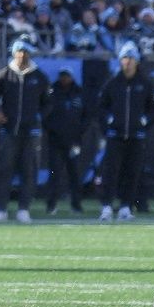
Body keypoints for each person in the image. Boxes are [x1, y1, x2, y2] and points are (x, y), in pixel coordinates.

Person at [0, 38, 49, 223]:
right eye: (19, 51)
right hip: (9, 129)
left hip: (30, 131)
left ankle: (23, 209)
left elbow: (48, 103)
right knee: (4, 169)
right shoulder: (4, 74)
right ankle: (0, 208)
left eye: (25, 52)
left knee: (29, 169)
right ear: (14, 53)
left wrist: (38, 117)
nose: (22, 55)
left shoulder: (39, 77)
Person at [98, 42, 154, 222]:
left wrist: (144, 122)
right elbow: (101, 107)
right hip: (115, 135)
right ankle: (107, 207)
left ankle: (126, 206)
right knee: (110, 172)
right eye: (125, 58)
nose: (128, 62)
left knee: (132, 173)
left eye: (131, 58)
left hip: (136, 136)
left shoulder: (145, 84)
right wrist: (109, 122)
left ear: (137, 61)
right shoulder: (113, 82)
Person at [44, 66, 87, 214]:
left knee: (74, 173)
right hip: (55, 140)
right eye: (62, 76)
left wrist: (79, 132)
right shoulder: (52, 92)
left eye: (67, 76)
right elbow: (46, 113)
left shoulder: (79, 93)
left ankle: (76, 205)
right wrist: (51, 130)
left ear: (72, 77)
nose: (64, 79)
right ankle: (51, 205)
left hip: (74, 141)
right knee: (54, 174)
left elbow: (85, 115)